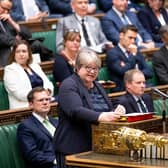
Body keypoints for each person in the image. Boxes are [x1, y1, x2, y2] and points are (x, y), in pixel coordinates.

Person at [53, 48, 126, 168]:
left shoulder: (97, 85)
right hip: (73, 149)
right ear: (77, 67)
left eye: (95, 68)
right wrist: (101, 116)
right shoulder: (69, 85)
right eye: (88, 67)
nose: (92, 71)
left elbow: (107, 104)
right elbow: (75, 110)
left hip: (95, 146)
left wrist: (119, 107)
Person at [3, 40, 54, 109]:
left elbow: (48, 84)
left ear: (29, 54)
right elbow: (19, 94)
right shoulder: (10, 70)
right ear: (14, 54)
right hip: (25, 107)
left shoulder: (35, 66)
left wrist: (48, 91)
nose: (21, 54)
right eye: (18, 51)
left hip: (45, 102)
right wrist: (41, 97)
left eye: (24, 51)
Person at [17, 87, 58, 168]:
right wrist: (55, 160)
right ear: (31, 104)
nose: (45, 102)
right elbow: (31, 154)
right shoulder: (25, 126)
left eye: (47, 99)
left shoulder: (56, 122)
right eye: (41, 100)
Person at [106, 25, 153, 92]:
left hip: (141, 87)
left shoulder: (137, 51)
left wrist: (137, 78)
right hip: (123, 90)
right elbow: (123, 72)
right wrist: (133, 55)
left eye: (134, 38)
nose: (133, 41)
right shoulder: (112, 53)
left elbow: (149, 72)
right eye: (130, 38)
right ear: (121, 35)